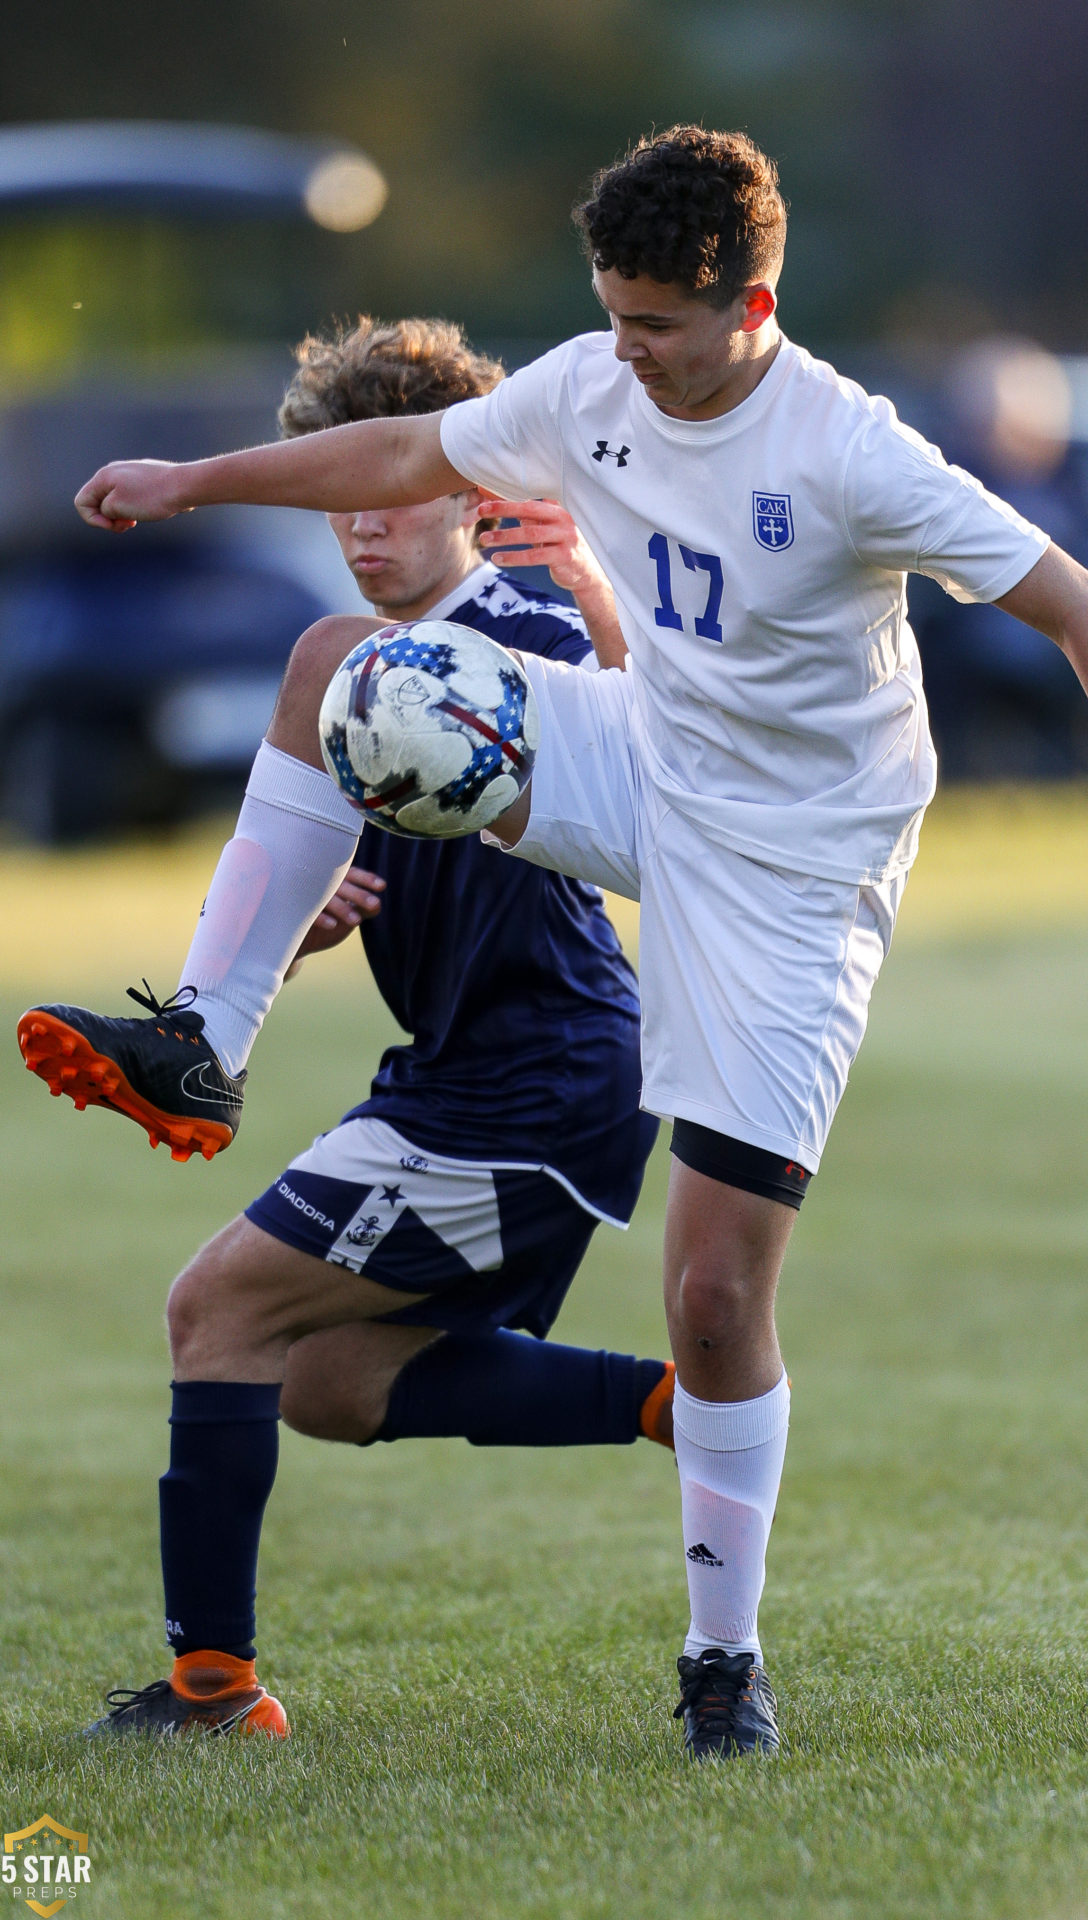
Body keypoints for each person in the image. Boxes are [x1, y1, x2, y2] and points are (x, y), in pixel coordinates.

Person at [59, 127, 1088, 1761]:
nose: (625, 355)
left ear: (750, 301)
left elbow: (1080, 608)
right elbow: (406, 452)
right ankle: (206, 1035)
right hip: (642, 761)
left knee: (711, 1296)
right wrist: (195, 481)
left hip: (795, 873)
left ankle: (722, 1661)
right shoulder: (589, 387)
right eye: (611, 318)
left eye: (658, 326)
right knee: (344, 660)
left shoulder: (854, 449)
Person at [21, 317, 673, 1739]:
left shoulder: (525, 620)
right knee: (326, 1378)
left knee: (214, 1310)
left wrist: (609, 608)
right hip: (477, 1070)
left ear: (469, 496)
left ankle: (214, 1693)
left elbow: (636, 736)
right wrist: (326, 905)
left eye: (392, 491)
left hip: (536, 1076)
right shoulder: (409, 677)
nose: (364, 525)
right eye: (341, 504)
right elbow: (417, 837)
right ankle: (686, 1408)